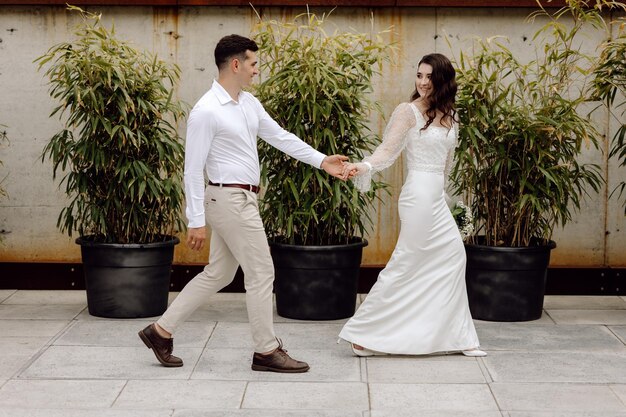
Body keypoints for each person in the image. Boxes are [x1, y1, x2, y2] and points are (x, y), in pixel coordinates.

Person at [139, 34, 349, 372]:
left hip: (241, 198)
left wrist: (322, 160)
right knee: (262, 271)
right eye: (253, 63)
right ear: (236, 64)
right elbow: (191, 170)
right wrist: (195, 220)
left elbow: (280, 136)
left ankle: (160, 331)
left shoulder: (248, 103)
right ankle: (266, 350)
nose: (256, 70)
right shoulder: (206, 111)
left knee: (219, 273)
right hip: (229, 199)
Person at [338, 53, 486, 358]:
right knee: (406, 261)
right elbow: (387, 151)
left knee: (454, 256)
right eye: (419, 75)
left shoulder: (450, 115)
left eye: (429, 77)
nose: (422, 82)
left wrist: (447, 198)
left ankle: (459, 336)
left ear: (442, 80)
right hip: (417, 195)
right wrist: (363, 167)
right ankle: (362, 333)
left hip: (435, 197)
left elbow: (447, 164)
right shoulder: (408, 112)